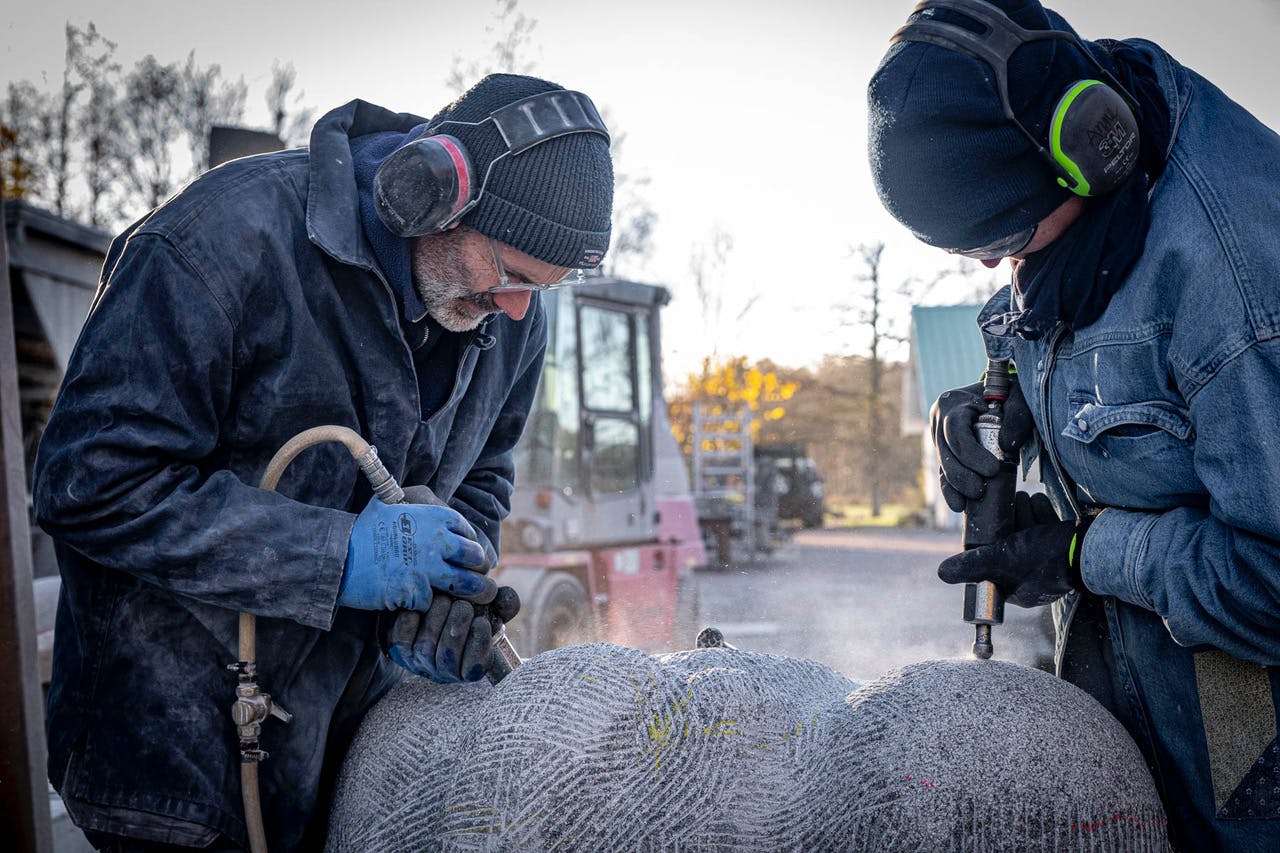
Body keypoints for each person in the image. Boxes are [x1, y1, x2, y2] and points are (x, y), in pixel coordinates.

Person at [32, 73, 614, 851]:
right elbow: (90, 481)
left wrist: (442, 588)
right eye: (510, 271)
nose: (516, 306)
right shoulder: (220, 242)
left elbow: (484, 472)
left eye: (542, 287)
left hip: (343, 760)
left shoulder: (511, 319)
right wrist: (337, 558)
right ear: (430, 194)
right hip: (171, 760)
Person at [867, 1, 1280, 849]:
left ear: (1093, 145)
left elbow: (1273, 579)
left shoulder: (1242, 289)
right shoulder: (1085, 201)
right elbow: (1073, 298)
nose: (995, 262)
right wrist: (1008, 398)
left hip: (1253, 750)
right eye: (971, 251)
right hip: (1133, 706)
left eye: (1004, 233)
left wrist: (1081, 552)